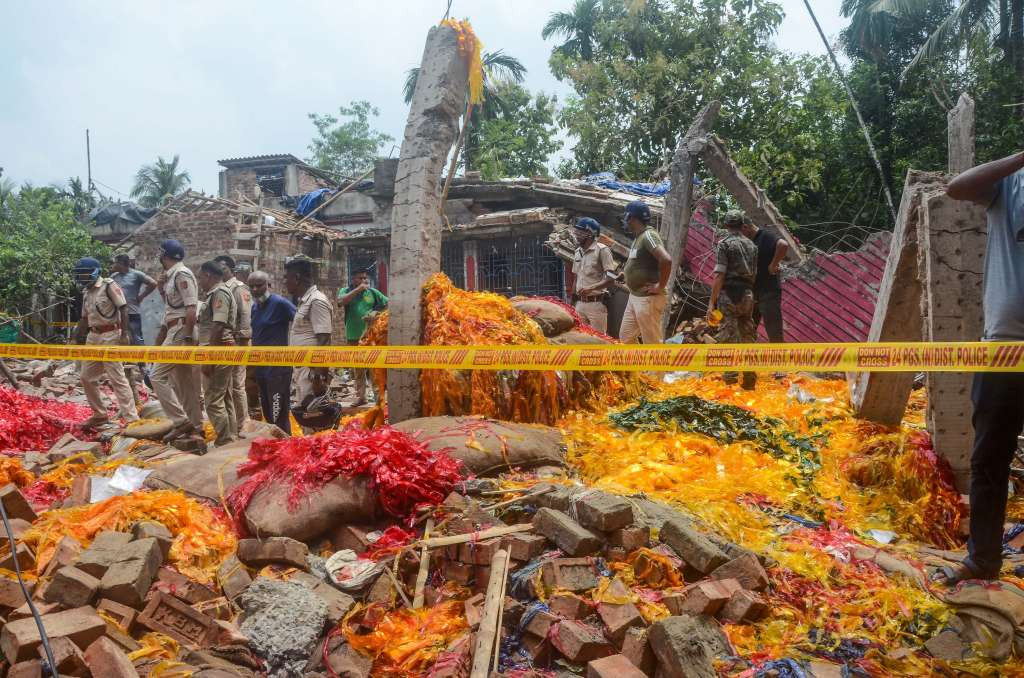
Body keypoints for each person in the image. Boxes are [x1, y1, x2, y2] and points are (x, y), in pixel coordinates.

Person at [936, 150, 1024, 585]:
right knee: (989, 457)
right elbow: (957, 188)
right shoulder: (1010, 184)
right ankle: (983, 560)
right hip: (1005, 347)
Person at [72, 257, 139, 428]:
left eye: (83, 273)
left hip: (110, 334)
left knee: (117, 377)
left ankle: (132, 419)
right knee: (86, 377)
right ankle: (100, 414)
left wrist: (124, 334)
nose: (80, 277)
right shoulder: (86, 292)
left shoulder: (109, 286)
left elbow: (123, 308)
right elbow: (85, 318)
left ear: (94, 272)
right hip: (93, 336)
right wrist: (74, 338)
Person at [151, 239, 204, 441]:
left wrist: (188, 335)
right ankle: (196, 426)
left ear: (165, 256)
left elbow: (191, 307)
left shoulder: (182, 274)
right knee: (183, 383)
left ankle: (181, 422)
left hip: (182, 330)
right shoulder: (172, 276)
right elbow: (173, 305)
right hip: (178, 328)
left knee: (157, 376)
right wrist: (160, 286)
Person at [709, 210, 759, 390]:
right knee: (748, 336)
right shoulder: (752, 246)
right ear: (742, 225)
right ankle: (749, 381)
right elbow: (755, 274)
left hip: (729, 293)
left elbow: (720, 274)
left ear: (726, 225)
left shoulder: (725, 244)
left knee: (727, 336)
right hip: (747, 293)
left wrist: (711, 301)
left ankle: (730, 381)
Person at [196, 260, 238, 447]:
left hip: (218, 349)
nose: (199, 282)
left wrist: (210, 357)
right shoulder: (216, 293)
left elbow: (218, 325)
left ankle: (225, 439)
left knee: (213, 399)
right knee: (224, 396)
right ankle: (231, 437)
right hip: (222, 348)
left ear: (208, 275)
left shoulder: (219, 293)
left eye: (200, 278)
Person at [249, 270, 296, 435]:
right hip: (261, 369)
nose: (255, 290)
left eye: (259, 285)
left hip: (278, 369)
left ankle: (286, 449)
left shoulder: (279, 303)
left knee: (278, 415)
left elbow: (300, 321)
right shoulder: (255, 307)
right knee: (268, 414)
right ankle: (274, 450)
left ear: (269, 285)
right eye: (252, 286)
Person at [619, 200, 672, 343]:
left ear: (632, 217)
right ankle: (640, 366)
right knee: (626, 337)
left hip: (647, 299)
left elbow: (666, 260)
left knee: (652, 342)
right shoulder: (639, 237)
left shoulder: (648, 235)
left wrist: (660, 286)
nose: (626, 221)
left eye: (627, 217)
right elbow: (639, 263)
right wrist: (626, 275)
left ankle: (656, 366)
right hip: (635, 296)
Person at [284, 255, 333, 406]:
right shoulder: (305, 301)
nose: (285, 282)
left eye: (287, 278)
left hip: (311, 371)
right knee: (306, 415)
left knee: (312, 417)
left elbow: (324, 340)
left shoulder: (317, 301)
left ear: (297, 278)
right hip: (303, 369)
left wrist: (318, 375)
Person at [336, 269, 387, 405]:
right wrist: (358, 290)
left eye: (365, 278)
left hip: (370, 337)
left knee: (374, 368)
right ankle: (361, 396)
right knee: (358, 368)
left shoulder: (372, 293)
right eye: (361, 278)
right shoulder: (345, 291)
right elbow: (340, 302)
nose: (365, 281)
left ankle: (378, 398)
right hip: (353, 336)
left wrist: (377, 313)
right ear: (353, 280)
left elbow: (387, 303)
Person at [214, 255, 253, 430]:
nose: (220, 271)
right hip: (226, 343)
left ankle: (244, 421)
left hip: (238, 342)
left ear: (231, 269)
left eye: (223, 268)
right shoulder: (219, 289)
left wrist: (243, 340)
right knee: (227, 385)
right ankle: (233, 421)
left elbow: (245, 315)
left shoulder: (238, 288)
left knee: (237, 383)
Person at [740, 219, 789, 343]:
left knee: (773, 330)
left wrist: (773, 264)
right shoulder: (751, 241)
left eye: (741, 232)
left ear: (746, 227)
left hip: (768, 291)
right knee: (748, 329)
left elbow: (783, 245)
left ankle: (779, 358)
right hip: (754, 293)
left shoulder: (765, 235)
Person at [571, 218, 617, 334]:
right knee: (580, 339)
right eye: (577, 232)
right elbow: (576, 278)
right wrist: (572, 302)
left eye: (581, 233)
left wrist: (591, 288)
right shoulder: (578, 252)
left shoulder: (602, 251)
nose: (577, 235)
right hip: (579, 305)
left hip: (596, 305)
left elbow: (611, 278)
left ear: (590, 234)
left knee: (599, 341)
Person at [110, 253, 156, 346]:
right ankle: (125, 360)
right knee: (119, 338)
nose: (113, 265)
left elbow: (153, 283)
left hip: (132, 312)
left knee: (137, 338)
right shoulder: (113, 276)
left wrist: (141, 297)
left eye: (115, 263)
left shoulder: (136, 274)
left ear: (121, 263)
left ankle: (141, 360)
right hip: (117, 314)